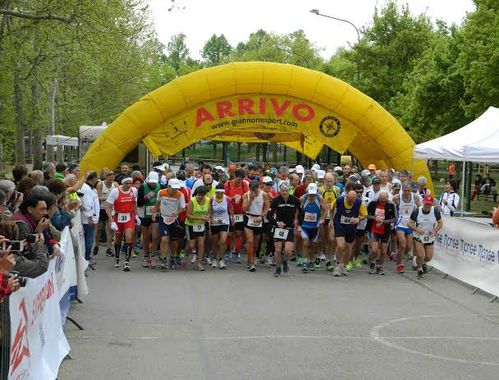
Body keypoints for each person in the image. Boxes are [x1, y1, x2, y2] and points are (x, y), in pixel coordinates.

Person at [329, 191, 367, 277]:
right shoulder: (338, 200)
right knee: (340, 245)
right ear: (346, 196)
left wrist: (359, 218)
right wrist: (331, 219)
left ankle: (344, 265)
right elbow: (331, 208)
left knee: (349, 248)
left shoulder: (359, 202)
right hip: (339, 225)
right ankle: (338, 265)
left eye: (353, 201)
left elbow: (365, 214)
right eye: (350, 200)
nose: (351, 203)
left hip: (351, 227)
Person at [266, 182, 300, 277]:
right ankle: (277, 268)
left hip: (289, 226)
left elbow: (302, 213)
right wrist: (276, 223)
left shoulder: (295, 200)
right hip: (279, 227)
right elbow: (269, 215)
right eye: (282, 191)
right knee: (277, 250)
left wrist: (298, 223)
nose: (284, 193)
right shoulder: (276, 200)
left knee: (288, 250)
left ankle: (285, 261)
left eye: (286, 191)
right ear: (279, 191)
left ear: (289, 190)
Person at [106, 177, 140, 271]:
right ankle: (117, 258)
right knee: (118, 239)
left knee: (129, 237)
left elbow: (134, 203)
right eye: (127, 183)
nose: (129, 185)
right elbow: (108, 207)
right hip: (118, 216)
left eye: (130, 183)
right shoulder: (115, 192)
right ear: (123, 183)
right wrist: (111, 221)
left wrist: (136, 215)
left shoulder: (134, 190)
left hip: (129, 216)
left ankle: (127, 262)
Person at [407, 195, 443, 280]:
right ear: (423, 202)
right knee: (420, 255)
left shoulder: (435, 211)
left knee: (428, 257)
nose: (427, 206)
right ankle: (419, 269)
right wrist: (416, 229)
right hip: (419, 236)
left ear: (432, 204)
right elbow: (409, 223)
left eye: (429, 204)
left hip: (429, 236)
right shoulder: (417, 211)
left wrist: (435, 231)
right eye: (426, 204)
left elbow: (440, 223)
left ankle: (423, 263)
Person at [152, 179, 186, 270]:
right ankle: (163, 259)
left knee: (174, 241)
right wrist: (155, 212)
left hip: (174, 220)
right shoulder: (161, 192)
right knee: (164, 239)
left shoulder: (180, 194)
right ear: (168, 186)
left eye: (176, 188)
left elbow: (183, 207)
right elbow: (157, 203)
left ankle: (173, 257)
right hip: (163, 218)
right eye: (173, 188)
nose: (175, 190)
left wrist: (177, 212)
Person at [365, 191, 398, 275]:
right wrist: (375, 218)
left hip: (386, 230)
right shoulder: (373, 203)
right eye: (381, 200)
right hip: (374, 229)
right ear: (378, 198)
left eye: (384, 201)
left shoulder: (391, 205)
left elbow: (395, 219)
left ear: (387, 199)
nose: (382, 203)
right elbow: (366, 215)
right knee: (374, 249)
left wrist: (384, 222)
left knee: (383, 251)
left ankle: (379, 266)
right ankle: (372, 262)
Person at [393, 182, 421, 273]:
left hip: (410, 224)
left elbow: (420, 208)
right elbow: (391, 208)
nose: (407, 192)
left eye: (408, 190)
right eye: (405, 190)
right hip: (400, 224)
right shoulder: (397, 197)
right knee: (402, 244)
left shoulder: (415, 197)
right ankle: (400, 263)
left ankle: (398, 256)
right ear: (402, 190)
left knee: (409, 247)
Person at [242, 180, 270, 272]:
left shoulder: (264, 194)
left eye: (256, 190)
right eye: (252, 190)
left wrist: (261, 216)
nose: (254, 192)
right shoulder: (246, 195)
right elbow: (244, 208)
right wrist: (251, 199)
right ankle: (251, 262)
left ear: (258, 188)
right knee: (250, 241)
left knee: (256, 243)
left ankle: (252, 257)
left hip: (258, 219)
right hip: (248, 217)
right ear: (249, 188)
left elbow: (267, 207)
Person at [299, 183, 326, 273]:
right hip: (304, 226)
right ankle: (305, 262)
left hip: (315, 226)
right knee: (306, 243)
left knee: (313, 244)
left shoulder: (319, 198)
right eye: (310, 194)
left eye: (313, 194)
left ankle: (312, 261)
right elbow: (297, 210)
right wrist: (297, 221)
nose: (312, 196)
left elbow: (325, 209)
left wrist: (323, 219)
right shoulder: (303, 198)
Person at [137, 172, 161, 268]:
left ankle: (153, 256)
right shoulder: (142, 187)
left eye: (154, 182)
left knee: (155, 236)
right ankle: (146, 257)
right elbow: (139, 203)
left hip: (155, 215)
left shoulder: (160, 186)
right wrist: (146, 197)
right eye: (151, 182)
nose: (152, 184)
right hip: (144, 215)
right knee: (146, 237)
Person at [225, 169, 249, 263]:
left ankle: (237, 252)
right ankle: (227, 251)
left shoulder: (244, 184)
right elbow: (224, 197)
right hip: (229, 212)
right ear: (234, 176)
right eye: (238, 179)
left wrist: (241, 196)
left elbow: (247, 195)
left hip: (240, 213)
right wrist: (232, 198)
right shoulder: (228, 185)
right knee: (229, 234)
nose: (240, 182)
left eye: (241, 180)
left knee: (239, 233)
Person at [184, 185, 210, 271]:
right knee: (191, 245)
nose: (200, 197)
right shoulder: (192, 201)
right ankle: (186, 255)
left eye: (202, 195)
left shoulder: (208, 201)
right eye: (199, 195)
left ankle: (199, 263)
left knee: (201, 245)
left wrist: (208, 218)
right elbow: (188, 215)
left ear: (205, 195)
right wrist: (201, 218)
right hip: (191, 225)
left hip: (201, 225)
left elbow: (209, 212)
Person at [208, 184, 233, 269]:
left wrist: (232, 219)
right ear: (216, 192)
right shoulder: (212, 199)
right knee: (214, 241)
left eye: (221, 193)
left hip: (224, 222)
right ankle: (215, 258)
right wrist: (210, 217)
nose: (219, 195)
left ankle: (221, 260)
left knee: (223, 241)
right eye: (218, 193)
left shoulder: (227, 199)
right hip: (214, 222)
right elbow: (210, 209)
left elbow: (230, 209)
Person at [95, 171, 118, 257]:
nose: (111, 178)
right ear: (106, 177)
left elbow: (118, 196)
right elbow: (98, 197)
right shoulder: (100, 184)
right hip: (101, 209)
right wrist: (109, 198)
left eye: (112, 177)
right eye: (109, 176)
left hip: (111, 209)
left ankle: (109, 248)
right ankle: (96, 245)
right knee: (99, 229)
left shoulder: (115, 184)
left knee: (109, 229)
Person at [80, 172, 100, 265]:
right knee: (89, 239)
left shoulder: (90, 188)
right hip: (88, 219)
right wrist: (90, 217)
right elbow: (87, 204)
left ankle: (87, 257)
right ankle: (86, 258)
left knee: (89, 239)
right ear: (94, 178)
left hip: (91, 217)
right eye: (97, 178)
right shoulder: (87, 189)